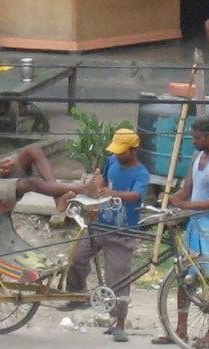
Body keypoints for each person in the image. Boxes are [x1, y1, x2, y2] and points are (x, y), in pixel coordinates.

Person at [59, 128, 150, 344]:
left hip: (123, 231)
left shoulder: (141, 174)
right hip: (99, 224)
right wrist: (97, 191)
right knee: (76, 258)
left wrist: (113, 194)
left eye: (122, 151)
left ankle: (119, 323)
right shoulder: (112, 162)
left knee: (118, 277)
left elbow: (135, 195)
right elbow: (104, 182)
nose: (117, 154)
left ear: (134, 150)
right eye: (116, 151)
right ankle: (77, 295)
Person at [152, 114, 209, 348]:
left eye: (198, 138)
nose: (194, 141)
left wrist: (186, 206)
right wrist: (169, 200)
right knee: (185, 276)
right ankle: (180, 330)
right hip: (196, 225)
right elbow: (186, 190)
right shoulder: (197, 157)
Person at [0, 86, 100, 212]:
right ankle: (83, 189)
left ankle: (58, 198)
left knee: (34, 150)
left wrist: (2, 167)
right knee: (31, 183)